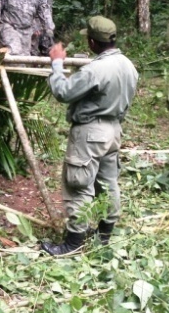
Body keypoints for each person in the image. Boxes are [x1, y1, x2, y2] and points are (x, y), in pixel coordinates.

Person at [41, 17, 138, 255]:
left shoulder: (96, 69)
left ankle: (73, 243)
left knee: (78, 184)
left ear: (93, 42)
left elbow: (63, 91)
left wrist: (56, 65)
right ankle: (105, 235)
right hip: (113, 130)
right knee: (108, 183)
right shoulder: (128, 65)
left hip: (91, 131)